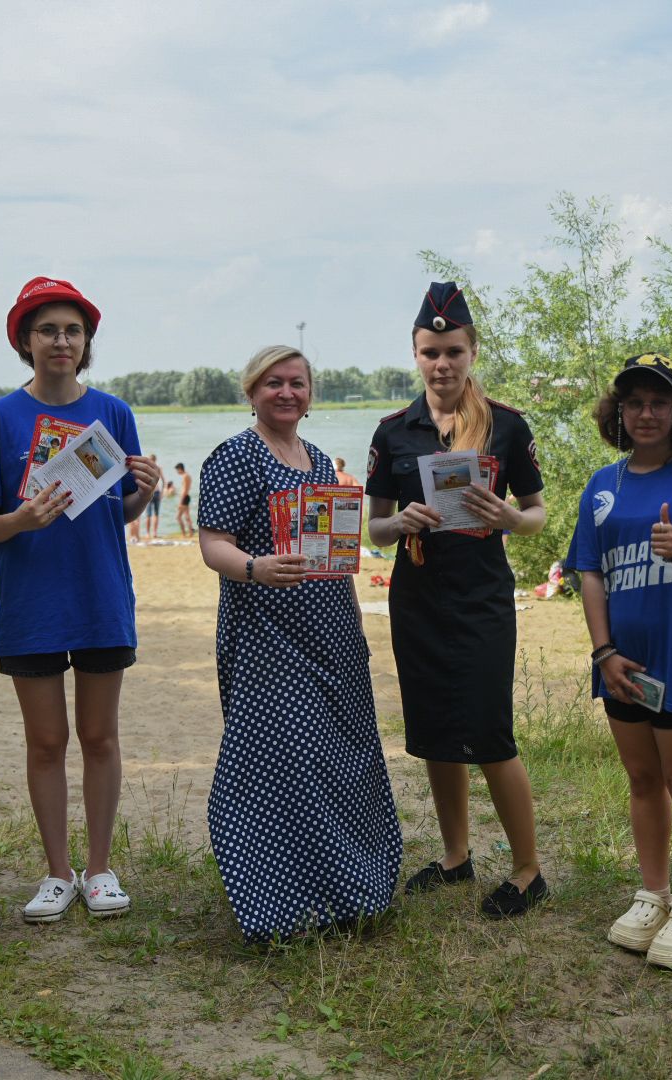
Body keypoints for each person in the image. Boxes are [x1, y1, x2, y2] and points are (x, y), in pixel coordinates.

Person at [0, 277, 158, 925]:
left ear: (86, 342)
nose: (61, 341)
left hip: (101, 596)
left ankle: (99, 869)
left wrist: (144, 492)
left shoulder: (114, 414)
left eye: (73, 330)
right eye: (47, 330)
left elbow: (117, 511)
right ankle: (57, 873)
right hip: (30, 602)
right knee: (46, 742)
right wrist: (22, 520)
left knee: (100, 737)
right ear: (25, 340)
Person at [196, 345, 400, 941]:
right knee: (281, 761)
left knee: (341, 758)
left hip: (332, 629)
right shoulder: (235, 456)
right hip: (267, 633)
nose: (286, 393)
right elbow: (213, 544)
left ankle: (350, 891)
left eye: (297, 383)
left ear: (310, 396)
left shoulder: (318, 461)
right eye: (273, 383)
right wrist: (255, 567)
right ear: (251, 392)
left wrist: (350, 599)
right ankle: (282, 906)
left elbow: (332, 547)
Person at [366, 281, 549, 919]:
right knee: (435, 734)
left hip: (481, 600)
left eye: (453, 352)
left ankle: (528, 871)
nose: (441, 364)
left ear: (472, 351)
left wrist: (508, 517)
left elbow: (537, 514)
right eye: (430, 352)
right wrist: (401, 521)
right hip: (417, 600)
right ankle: (455, 856)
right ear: (415, 355)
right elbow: (374, 528)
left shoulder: (507, 425)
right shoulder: (394, 432)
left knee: (491, 733)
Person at [564, 353, 672, 969]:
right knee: (642, 780)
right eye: (634, 403)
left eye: (659, 403)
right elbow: (590, 573)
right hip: (623, 663)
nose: (646, 413)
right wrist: (604, 652)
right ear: (618, 412)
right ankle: (654, 894)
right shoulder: (602, 484)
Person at [141, 455, 166, 542]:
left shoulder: (147, 468)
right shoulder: (158, 468)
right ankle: (154, 533)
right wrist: (162, 493)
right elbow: (164, 481)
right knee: (156, 514)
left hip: (150, 492)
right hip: (157, 492)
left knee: (149, 514)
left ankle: (148, 533)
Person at [174, 462, 193, 537]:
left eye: (177, 470)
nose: (177, 472)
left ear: (180, 469)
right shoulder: (187, 475)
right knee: (187, 516)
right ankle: (190, 533)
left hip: (184, 498)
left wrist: (180, 502)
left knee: (178, 517)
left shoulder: (185, 476)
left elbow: (185, 490)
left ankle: (184, 534)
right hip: (186, 497)